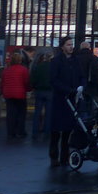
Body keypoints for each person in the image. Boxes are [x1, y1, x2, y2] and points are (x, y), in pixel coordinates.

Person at [49, 36, 83, 167]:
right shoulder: (56, 61)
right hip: (60, 99)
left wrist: (81, 87)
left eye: (72, 44)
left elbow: (82, 76)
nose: (71, 47)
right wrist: (69, 90)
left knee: (68, 129)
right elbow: (53, 80)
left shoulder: (76, 61)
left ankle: (64, 155)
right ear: (62, 46)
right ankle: (53, 155)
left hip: (73, 99)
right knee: (56, 130)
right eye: (68, 44)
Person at [1, 51, 31, 139]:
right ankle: (20, 131)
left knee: (10, 114)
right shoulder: (23, 69)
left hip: (8, 94)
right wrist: (29, 89)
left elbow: (2, 82)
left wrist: (3, 92)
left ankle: (10, 132)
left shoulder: (6, 70)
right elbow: (26, 82)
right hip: (20, 94)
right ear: (20, 60)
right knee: (21, 113)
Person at [30, 50, 53, 140]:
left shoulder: (38, 66)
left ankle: (35, 132)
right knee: (48, 113)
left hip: (39, 91)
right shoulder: (53, 67)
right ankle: (47, 132)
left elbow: (33, 79)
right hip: (50, 92)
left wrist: (35, 87)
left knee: (37, 113)